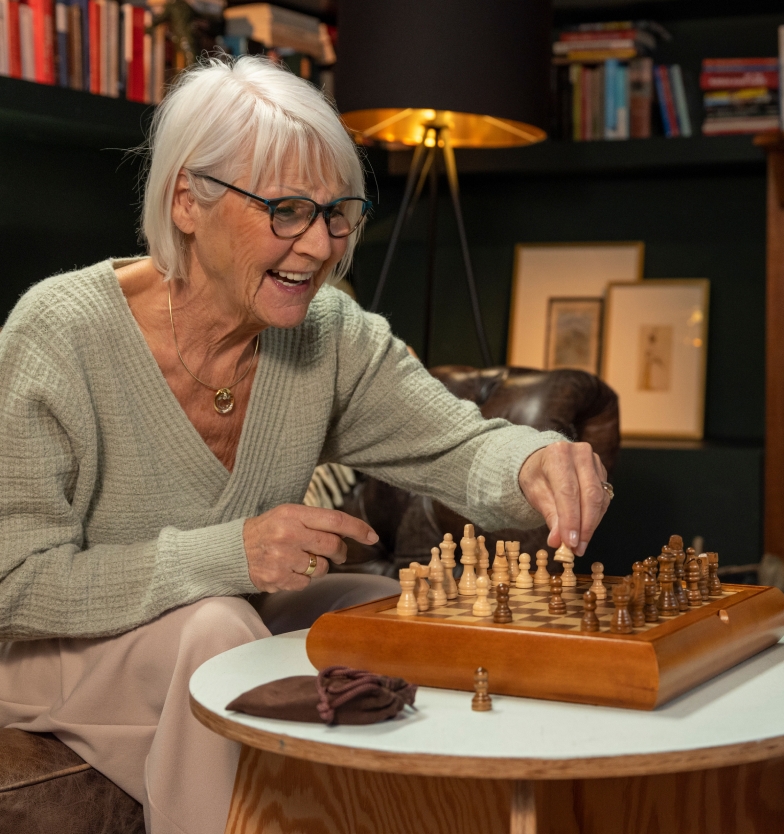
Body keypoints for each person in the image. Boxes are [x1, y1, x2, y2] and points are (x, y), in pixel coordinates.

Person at [0, 56, 611, 834]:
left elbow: (460, 446)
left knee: (383, 610)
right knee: (215, 625)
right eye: (286, 210)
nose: (321, 245)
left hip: (219, 619)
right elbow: (12, 584)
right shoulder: (60, 332)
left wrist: (533, 461)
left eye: (338, 213)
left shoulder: (329, 337)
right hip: (51, 648)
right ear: (188, 199)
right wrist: (231, 554)